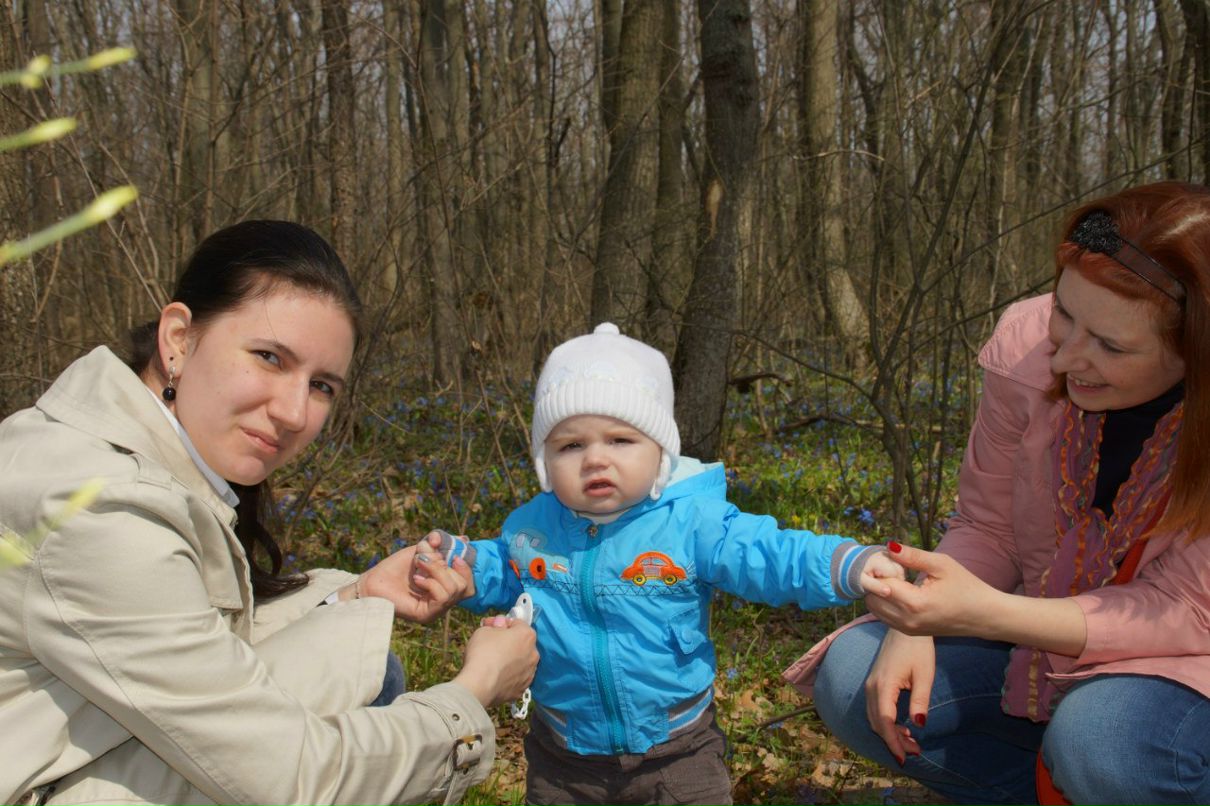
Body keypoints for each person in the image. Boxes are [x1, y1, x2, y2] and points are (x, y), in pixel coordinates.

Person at [0, 220, 538, 806]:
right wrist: (474, 692)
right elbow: (290, 777)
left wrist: (361, 595)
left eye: (322, 386)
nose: (293, 411)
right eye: (269, 357)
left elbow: (198, 648)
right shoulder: (98, 509)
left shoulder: (130, 454)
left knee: (358, 653)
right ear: (178, 338)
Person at [786, 181, 1210, 806]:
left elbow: (1189, 613)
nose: (1064, 357)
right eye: (1064, 312)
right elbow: (988, 527)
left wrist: (980, 613)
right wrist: (917, 613)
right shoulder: (1026, 351)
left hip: (1182, 666)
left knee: (1105, 739)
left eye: (1111, 345)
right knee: (858, 678)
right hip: (1042, 636)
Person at [412, 323, 903, 805]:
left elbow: (766, 553)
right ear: (544, 460)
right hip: (564, 756)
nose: (595, 459)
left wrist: (846, 564)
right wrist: (463, 567)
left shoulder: (692, 522)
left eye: (621, 440)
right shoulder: (531, 529)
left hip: (678, 750)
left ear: (660, 452)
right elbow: (505, 573)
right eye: (571, 445)